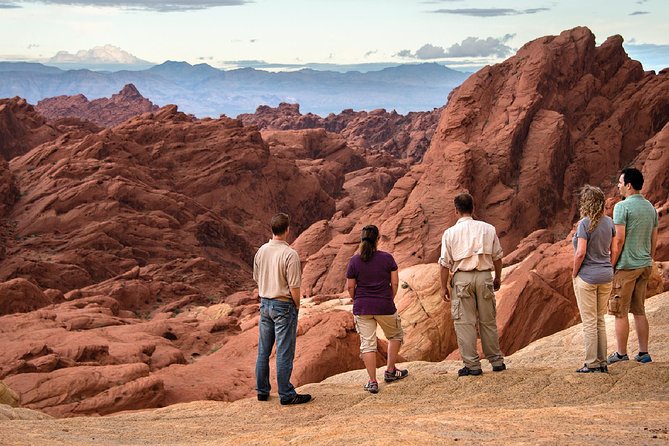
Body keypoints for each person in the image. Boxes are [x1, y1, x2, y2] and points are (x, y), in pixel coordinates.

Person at [439, 193, 506, 376]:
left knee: (465, 323)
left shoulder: (449, 233)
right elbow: (498, 257)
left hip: (462, 279)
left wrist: (443, 286)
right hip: (484, 276)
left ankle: (472, 365)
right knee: (488, 321)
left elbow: (444, 263)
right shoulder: (488, 229)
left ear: (456, 211)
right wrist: (497, 277)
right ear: (473, 208)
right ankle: (496, 361)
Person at [254, 213, 311, 405]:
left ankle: (262, 391)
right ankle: (286, 394)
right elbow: (294, 287)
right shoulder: (290, 254)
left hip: (265, 304)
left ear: (272, 229)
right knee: (284, 351)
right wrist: (297, 305)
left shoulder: (261, 251)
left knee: (263, 350)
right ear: (287, 229)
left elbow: (257, 277)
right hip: (283, 305)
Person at [346, 224, 408, 394]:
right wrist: (389, 298)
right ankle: (390, 371)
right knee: (395, 335)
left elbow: (350, 287)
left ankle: (372, 381)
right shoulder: (387, 258)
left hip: (363, 307)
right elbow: (394, 283)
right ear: (378, 239)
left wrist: (357, 299)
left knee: (367, 344)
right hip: (385, 305)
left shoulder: (354, 261)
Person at [607, 168, 659, 365]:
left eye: (620, 183)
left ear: (628, 185)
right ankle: (644, 353)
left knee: (619, 311)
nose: (618, 186)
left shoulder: (622, 207)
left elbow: (618, 240)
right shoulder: (650, 207)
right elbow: (654, 238)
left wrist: (612, 265)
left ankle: (621, 354)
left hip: (627, 266)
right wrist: (649, 259)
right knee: (639, 310)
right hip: (644, 264)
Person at [572, 185, 616, 373]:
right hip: (606, 275)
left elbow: (580, 252)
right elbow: (614, 250)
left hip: (588, 276)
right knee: (599, 319)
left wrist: (574, 272)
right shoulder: (609, 223)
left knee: (589, 321)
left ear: (586, 203)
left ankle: (591, 363)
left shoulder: (585, 224)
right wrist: (609, 267)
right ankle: (602, 362)